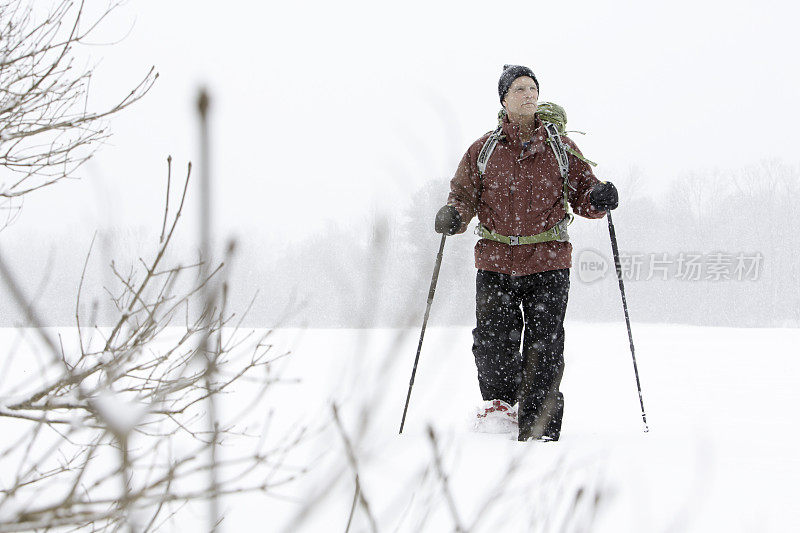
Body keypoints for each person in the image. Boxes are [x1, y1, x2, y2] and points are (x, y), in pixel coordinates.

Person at [434, 65, 619, 442]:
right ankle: (500, 410)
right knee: (492, 342)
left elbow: (584, 190)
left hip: (548, 263)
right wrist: (454, 214)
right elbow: (463, 195)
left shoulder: (560, 148)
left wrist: (599, 198)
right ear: (503, 99)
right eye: (518, 88)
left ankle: (539, 426)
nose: (528, 93)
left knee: (545, 344)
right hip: (495, 262)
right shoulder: (483, 150)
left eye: (532, 87)